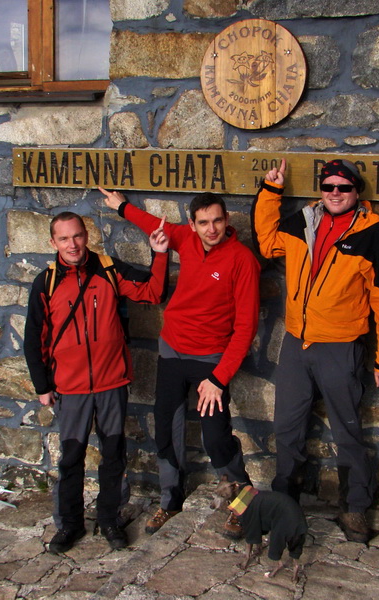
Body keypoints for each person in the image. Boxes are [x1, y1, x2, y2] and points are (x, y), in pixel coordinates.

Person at [252, 158, 379, 543]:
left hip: (341, 346)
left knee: (348, 430)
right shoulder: (301, 222)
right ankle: (285, 503)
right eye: (328, 187)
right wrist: (271, 192)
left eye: (343, 188)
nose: (335, 194)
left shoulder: (373, 234)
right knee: (286, 428)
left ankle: (354, 508)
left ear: (356, 192)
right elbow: (267, 242)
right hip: (296, 344)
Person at [100, 188, 261, 539]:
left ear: (227, 219)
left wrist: (219, 378)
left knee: (216, 438)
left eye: (217, 220)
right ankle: (170, 501)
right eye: (203, 222)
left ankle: (245, 499)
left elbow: (246, 327)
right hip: (173, 351)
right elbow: (154, 225)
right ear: (193, 223)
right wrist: (122, 206)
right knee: (166, 432)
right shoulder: (185, 238)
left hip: (211, 360)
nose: (211, 228)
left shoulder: (242, 260)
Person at [24, 211, 169, 552]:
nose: (72, 244)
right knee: (71, 458)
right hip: (70, 388)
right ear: (53, 243)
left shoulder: (108, 269)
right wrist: (42, 386)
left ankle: (109, 518)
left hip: (110, 382)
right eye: (64, 238)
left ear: (85, 235)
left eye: (76, 236)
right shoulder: (45, 282)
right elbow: (35, 338)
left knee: (113, 455)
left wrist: (160, 254)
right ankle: (70, 524)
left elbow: (152, 291)